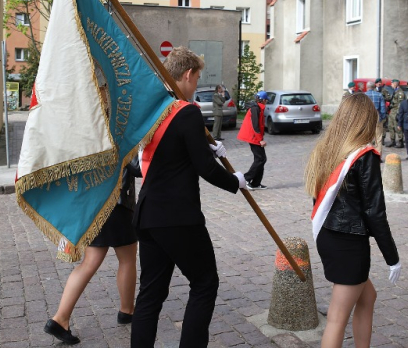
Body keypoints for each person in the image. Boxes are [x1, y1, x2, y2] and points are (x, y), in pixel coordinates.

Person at [131, 46, 246, 348]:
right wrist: (235, 181)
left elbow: (172, 152)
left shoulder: (157, 110)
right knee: (205, 283)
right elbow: (205, 168)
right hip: (178, 216)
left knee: (150, 294)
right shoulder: (187, 111)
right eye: (195, 79)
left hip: (148, 214)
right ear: (187, 74)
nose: (196, 86)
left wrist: (206, 146)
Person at [304, 93, 400, 348]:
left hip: (329, 235)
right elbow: (374, 211)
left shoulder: (328, 149)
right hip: (349, 241)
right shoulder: (364, 155)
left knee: (367, 297)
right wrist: (393, 257)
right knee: (337, 318)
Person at [45, 159, 142, 345]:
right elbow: (138, 167)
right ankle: (126, 310)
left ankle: (61, 318)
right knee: (127, 258)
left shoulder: (87, 131)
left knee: (90, 262)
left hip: (92, 204)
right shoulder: (118, 130)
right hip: (116, 204)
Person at [238, 91, 270, 190]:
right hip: (252, 137)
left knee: (261, 159)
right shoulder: (255, 108)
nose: (266, 101)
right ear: (264, 100)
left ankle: (256, 183)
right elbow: (255, 125)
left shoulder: (258, 108)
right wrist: (260, 139)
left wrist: (261, 136)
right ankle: (246, 179)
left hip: (254, 136)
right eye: (266, 100)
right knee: (260, 159)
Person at [364, 82, 387, 157]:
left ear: (367, 87)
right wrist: (382, 118)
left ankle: (368, 157)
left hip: (367, 116)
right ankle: (378, 156)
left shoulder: (364, 95)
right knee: (378, 138)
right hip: (377, 116)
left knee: (367, 138)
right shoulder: (379, 95)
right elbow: (383, 108)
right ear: (374, 87)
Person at [385, 79, 407, 148]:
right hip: (392, 110)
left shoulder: (400, 92)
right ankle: (392, 140)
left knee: (397, 127)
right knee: (390, 126)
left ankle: (400, 141)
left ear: (395, 84)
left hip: (396, 111)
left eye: (392, 84)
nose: (391, 85)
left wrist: (398, 113)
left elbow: (400, 103)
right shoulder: (395, 91)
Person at [377, 78, 393, 146]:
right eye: (378, 83)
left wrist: (382, 97)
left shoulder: (384, 90)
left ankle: (382, 139)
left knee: (383, 125)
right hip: (376, 110)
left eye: (380, 83)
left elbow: (389, 98)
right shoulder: (374, 90)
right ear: (376, 84)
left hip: (383, 109)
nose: (379, 84)